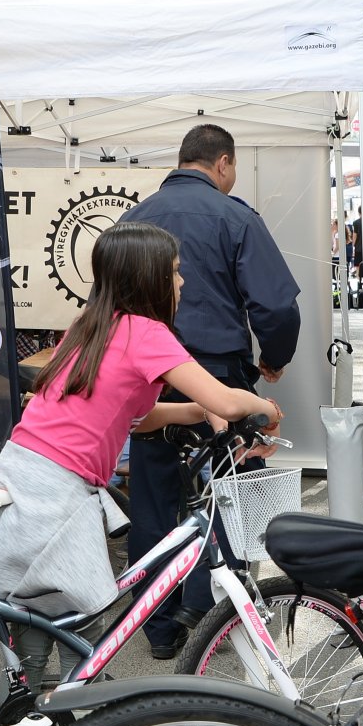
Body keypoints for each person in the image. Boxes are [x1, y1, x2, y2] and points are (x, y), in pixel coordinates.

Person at [0, 222, 281, 726]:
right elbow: (231, 398)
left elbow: (141, 414)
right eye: (175, 272)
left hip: (24, 477)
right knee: (80, 636)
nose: (181, 281)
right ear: (150, 279)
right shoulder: (148, 332)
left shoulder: (93, 327)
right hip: (51, 494)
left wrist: (200, 413)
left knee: (42, 637)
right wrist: (260, 406)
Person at [119, 124, 300, 658]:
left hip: (151, 372)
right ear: (222, 162)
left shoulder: (135, 217)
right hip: (219, 375)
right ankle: (212, 611)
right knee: (231, 492)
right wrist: (273, 357)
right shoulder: (237, 216)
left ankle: (155, 623)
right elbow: (277, 306)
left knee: (154, 497)